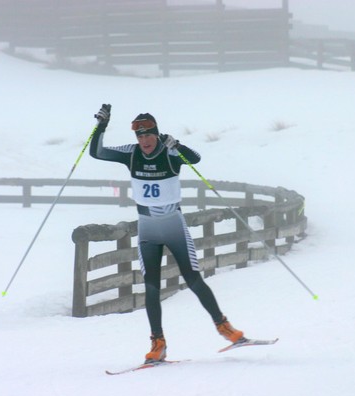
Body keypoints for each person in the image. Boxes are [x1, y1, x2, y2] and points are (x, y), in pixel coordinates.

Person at [89, 104, 245, 363]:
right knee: (151, 286)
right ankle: (158, 343)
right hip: (148, 226)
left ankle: (224, 327)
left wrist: (178, 146)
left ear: (157, 133)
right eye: (139, 136)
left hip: (173, 224)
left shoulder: (170, 152)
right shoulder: (131, 153)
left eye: (148, 135)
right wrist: (101, 125)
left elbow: (195, 159)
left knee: (193, 279)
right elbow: (97, 152)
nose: (144, 140)